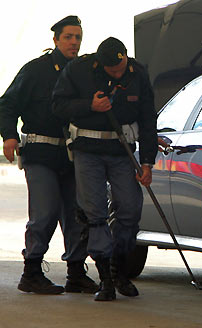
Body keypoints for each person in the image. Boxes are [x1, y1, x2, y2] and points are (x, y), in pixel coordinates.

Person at [52, 37, 158, 301]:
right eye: (113, 70)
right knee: (95, 213)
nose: (119, 72)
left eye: (121, 66)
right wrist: (90, 105)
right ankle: (106, 280)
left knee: (130, 209)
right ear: (101, 63)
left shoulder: (138, 72)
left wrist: (147, 162)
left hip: (122, 152)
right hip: (88, 152)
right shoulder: (78, 69)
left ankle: (120, 267)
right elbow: (57, 106)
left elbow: (147, 117)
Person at [0, 16, 98, 294]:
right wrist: (8, 135)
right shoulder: (36, 70)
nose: (74, 42)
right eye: (68, 37)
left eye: (78, 37)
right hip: (40, 152)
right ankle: (31, 271)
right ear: (55, 39)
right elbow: (7, 104)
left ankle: (76, 273)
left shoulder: (84, 72)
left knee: (76, 213)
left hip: (73, 153)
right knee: (45, 212)